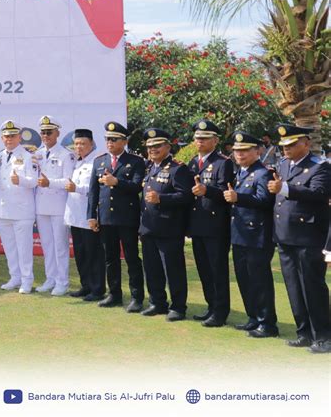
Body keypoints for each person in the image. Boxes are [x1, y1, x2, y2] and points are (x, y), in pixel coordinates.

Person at [268, 124, 331, 354]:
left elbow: (319, 194)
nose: (287, 149)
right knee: (294, 287)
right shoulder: (284, 165)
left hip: (307, 237)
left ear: (306, 143)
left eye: (292, 144)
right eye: (284, 145)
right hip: (285, 236)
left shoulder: (320, 167)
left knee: (312, 287)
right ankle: (303, 332)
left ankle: (323, 336)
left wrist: (285, 188)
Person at [223, 132, 278, 338]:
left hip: (257, 235)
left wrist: (239, 198)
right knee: (244, 278)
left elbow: (265, 200)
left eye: (245, 150)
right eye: (237, 150)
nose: (240, 154)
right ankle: (253, 317)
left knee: (259, 280)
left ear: (258, 151)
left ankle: (267, 323)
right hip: (240, 234)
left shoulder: (263, 173)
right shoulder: (242, 172)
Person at [87, 121, 146, 312]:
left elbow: (137, 186)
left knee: (131, 258)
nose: (110, 143)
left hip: (127, 218)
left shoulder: (135, 161)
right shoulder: (99, 161)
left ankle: (137, 297)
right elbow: (93, 192)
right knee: (110, 258)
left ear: (124, 141)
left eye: (114, 139)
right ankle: (114, 294)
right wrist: (91, 216)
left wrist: (116, 182)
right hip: (105, 218)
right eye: (107, 139)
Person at [140, 129, 194, 321]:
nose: (153, 149)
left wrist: (161, 198)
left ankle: (178, 307)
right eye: (149, 146)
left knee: (173, 270)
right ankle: (157, 302)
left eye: (157, 146)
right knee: (152, 268)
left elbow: (187, 196)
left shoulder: (178, 168)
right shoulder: (148, 167)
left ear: (167, 147)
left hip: (169, 228)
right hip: (148, 227)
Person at [188, 119, 234, 327]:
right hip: (197, 224)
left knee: (217, 271)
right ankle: (210, 306)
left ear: (215, 140)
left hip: (215, 226)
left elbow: (226, 192)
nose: (200, 141)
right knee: (204, 270)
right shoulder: (191, 162)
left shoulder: (223, 162)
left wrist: (208, 191)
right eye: (197, 138)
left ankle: (220, 311)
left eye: (205, 138)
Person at [34, 116, 75, 296]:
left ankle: (62, 282)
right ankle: (50, 279)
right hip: (41, 205)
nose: (45, 135)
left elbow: (68, 180)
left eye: (49, 132)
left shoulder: (66, 154)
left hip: (58, 205)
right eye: (43, 132)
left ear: (57, 133)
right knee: (47, 245)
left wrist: (49, 182)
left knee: (60, 246)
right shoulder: (37, 154)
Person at [0, 120, 37, 294]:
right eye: (6, 136)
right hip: (3, 209)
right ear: (2, 138)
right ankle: (15, 277)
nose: (9, 139)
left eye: (12, 136)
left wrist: (20, 180)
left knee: (24, 248)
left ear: (19, 137)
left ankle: (27, 280)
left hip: (22, 211)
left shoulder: (28, 157)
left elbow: (34, 181)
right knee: (10, 248)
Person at [64, 129, 105, 301]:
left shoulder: (97, 162)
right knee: (80, 254)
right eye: (76, 144)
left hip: (89, 217)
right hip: (75, 215)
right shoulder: (77, 162)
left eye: (82, 144)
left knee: (93, 254)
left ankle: (97, 289)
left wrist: (77, 188)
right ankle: (85, 285)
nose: (79, 147)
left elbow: (98, 190)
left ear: (91, 144)